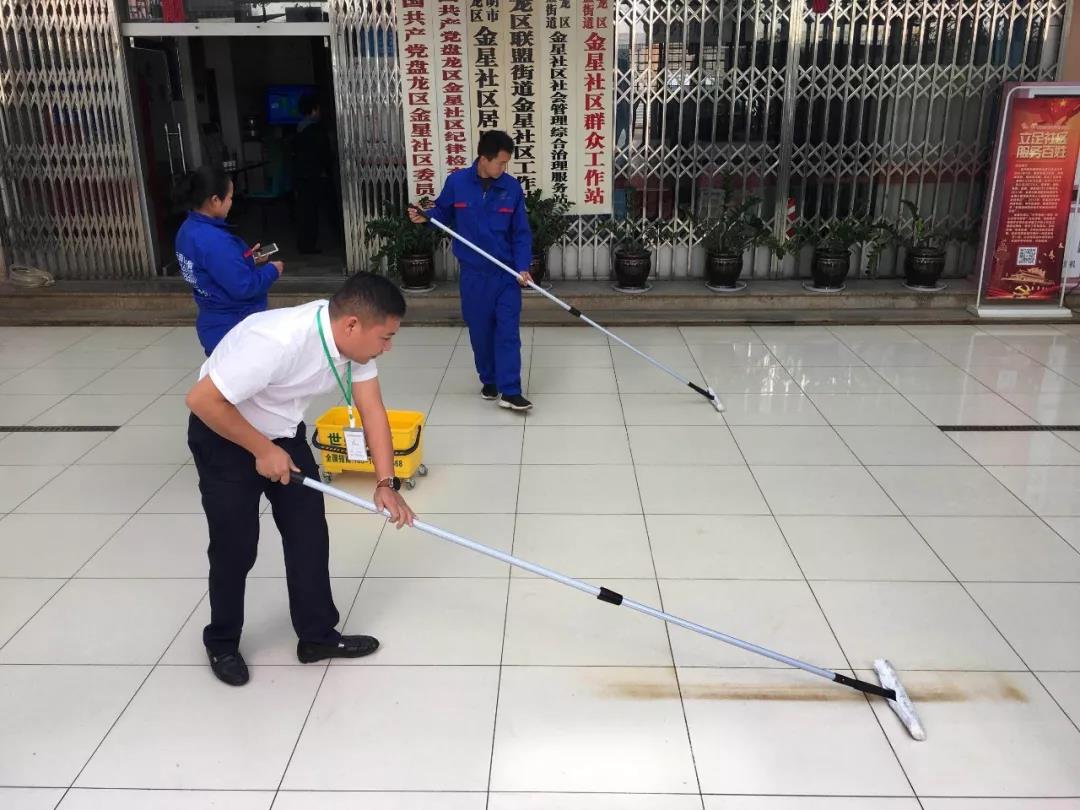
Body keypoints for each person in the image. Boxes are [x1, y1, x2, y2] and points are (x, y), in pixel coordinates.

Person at [185, 271, 416, 687]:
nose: (388, 347)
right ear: (352, 325)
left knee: (308, 534)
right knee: (235, 547)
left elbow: (372, 410)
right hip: (223, 434)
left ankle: (316, 637)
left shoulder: (355, 350)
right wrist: (261, 450)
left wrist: (386, 483)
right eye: (385, 337)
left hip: (283, 434)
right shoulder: (276, 341)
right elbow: (201, 400)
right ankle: (221, 641)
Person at [408, 130, 534, 411]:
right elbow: (442, 214)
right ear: (483, 158)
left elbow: (521, 233)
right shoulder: (458, 183)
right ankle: (489, 380)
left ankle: (511, 390)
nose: (503, 168)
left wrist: (523, 267)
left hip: (506, 274)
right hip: (474, 275)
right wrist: (424, 218)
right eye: (500, 163)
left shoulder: (511, 189)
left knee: (508, 332)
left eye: (506, 163)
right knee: (480, 332)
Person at [174, 165, 283, 356]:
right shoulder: (215, 241)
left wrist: (248, 259)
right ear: (215, 200)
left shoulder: (188, 229)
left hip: (213, 322)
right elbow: (244, 287)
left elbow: (212, 267)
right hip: (234, 326)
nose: (231, 203)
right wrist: (272, 270)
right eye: (230, 198)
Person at [293, 94, 334, 254]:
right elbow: (325, 155)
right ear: (315, 109)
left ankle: (304, 244)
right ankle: (309, 245)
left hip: (301, 177)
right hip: (314, 177)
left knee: (304, 212)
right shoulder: (316, 130)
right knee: (313, 212)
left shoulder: (299, 128)